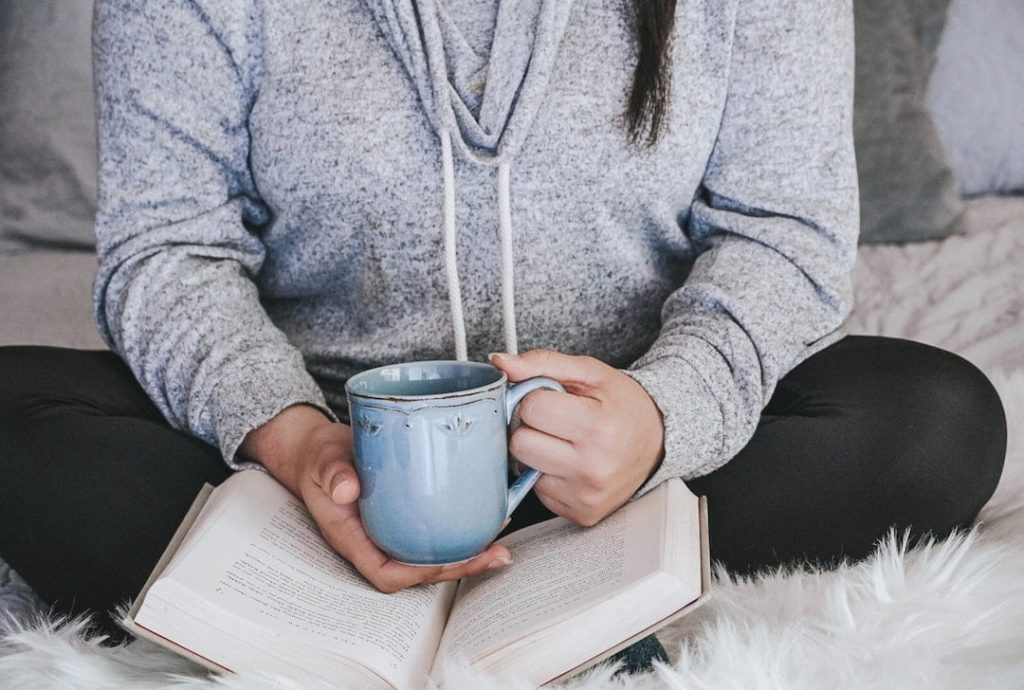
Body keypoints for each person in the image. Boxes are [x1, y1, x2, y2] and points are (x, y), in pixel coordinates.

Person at [0, 0, 1006, 668]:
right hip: (317, 441)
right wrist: (296, 441)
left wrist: (661, 418)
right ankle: (391, 557)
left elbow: (782, 231)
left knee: (936, 419)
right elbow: (167, 245)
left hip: (629, 439)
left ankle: (343, 587)